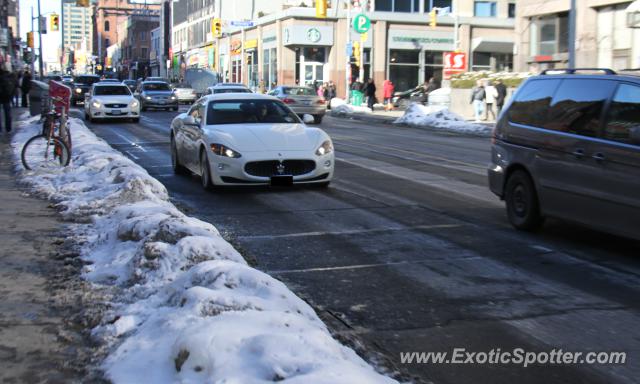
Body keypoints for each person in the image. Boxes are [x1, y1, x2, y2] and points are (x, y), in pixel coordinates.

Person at [0, 65, 17, 133]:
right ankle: (8, 128)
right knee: (7, 113)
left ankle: (0, 129)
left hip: (1, 96)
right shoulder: (8, 76)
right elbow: (14, 85)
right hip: (7, 97)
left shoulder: (2, 77)